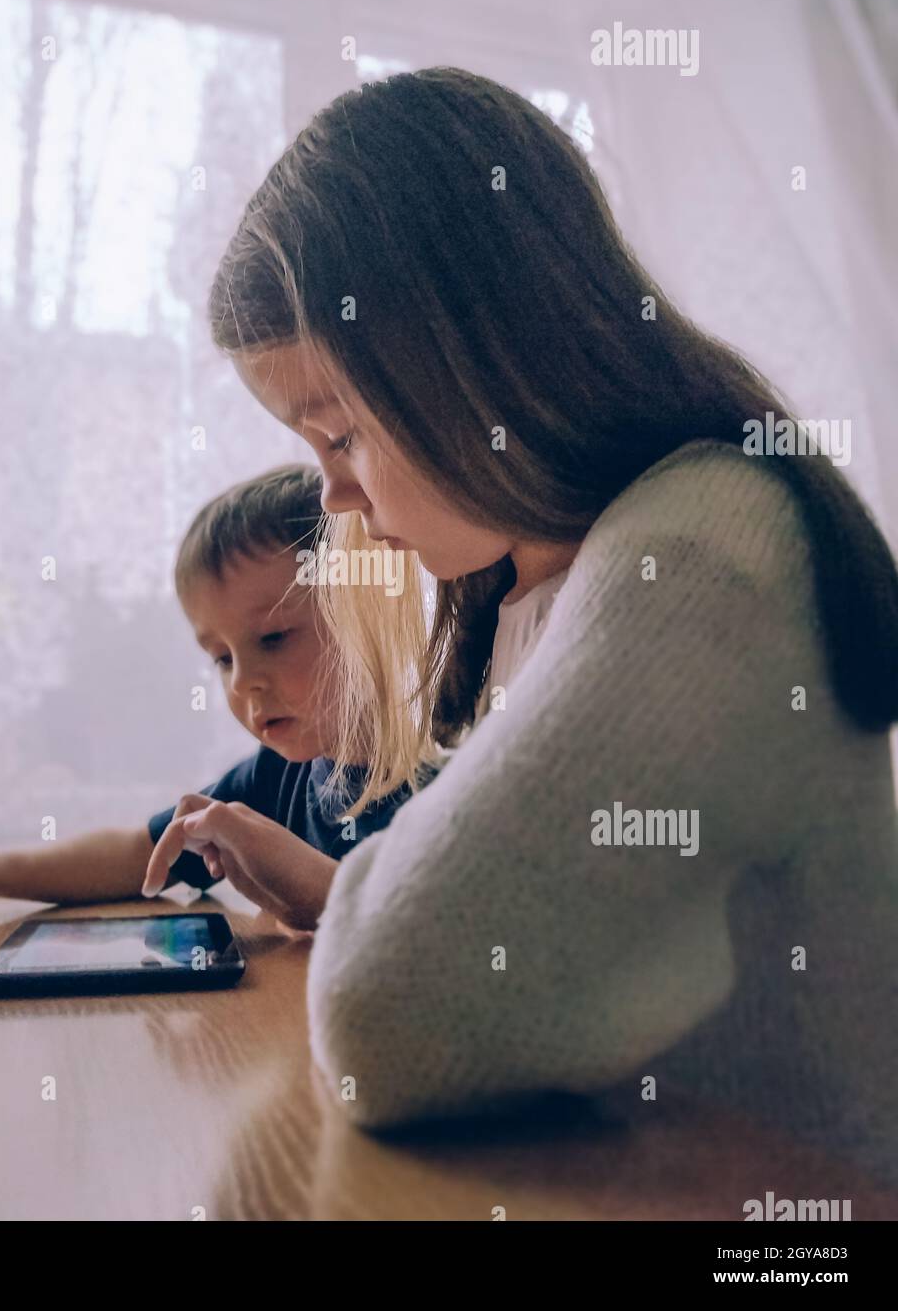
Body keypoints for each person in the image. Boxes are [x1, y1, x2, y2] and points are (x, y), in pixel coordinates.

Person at [152, 66, 898, 1187]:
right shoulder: (532, 585)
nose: (337, 500)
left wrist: (371, 904)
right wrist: (343, 886)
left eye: (342, 437)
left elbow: (391, 1016)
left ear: (468, 368)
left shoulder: (697, 554)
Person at [0, 465, 424, 931]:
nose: (242, 682)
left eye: (274, 638)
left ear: (368, 610)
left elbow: (439, 926)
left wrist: (321, 891)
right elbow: (134, 853)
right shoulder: (275, 776)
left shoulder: (441, 775)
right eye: (222, 658)